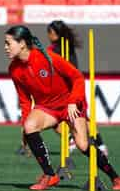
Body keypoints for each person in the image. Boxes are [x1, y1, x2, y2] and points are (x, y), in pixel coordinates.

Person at [5, 25, 120, 191]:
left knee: (83, 145)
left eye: (8, 43)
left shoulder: (48, 58)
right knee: (29, 127)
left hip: (71, 103)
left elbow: (77, 77)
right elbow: (24, 100)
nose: (5, 47)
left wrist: (73, 101)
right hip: (47, 107)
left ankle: (115, 177)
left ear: (22, 44)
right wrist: (24, 126)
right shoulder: (14, 69)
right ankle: (49, 175)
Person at [46, 20, 109, 156]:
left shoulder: (54, 50)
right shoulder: (68, 46)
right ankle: (99, 144)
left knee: (54, 117)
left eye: (49, 33)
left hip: (67, 90)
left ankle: (72, 139)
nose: (48, 36)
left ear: (54, 34)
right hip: (75, 87)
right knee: (83, 119)